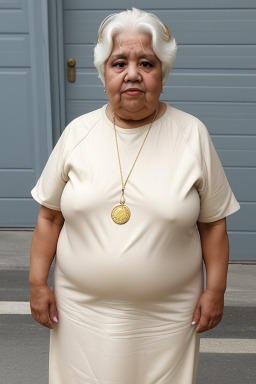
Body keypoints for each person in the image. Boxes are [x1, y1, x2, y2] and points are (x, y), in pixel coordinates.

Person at [29, 8, 240, 384]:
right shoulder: (77, 133)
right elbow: (50, 216)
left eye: (146, 63)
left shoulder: (192, 134)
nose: (132, 74)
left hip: (168, 314)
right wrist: (37, 283)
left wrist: (216, 289)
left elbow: (213, 224)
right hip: (80, 311)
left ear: (163, 73)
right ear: (103, 73)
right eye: (119, 63)